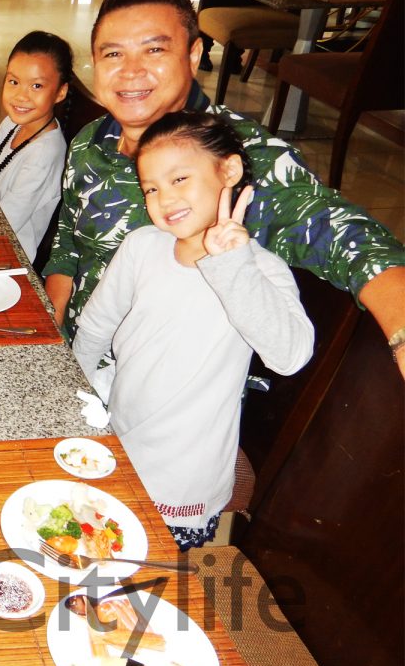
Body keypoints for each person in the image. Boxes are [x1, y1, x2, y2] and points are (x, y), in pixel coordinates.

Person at [43, 0, 405, 377]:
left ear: (193, 55)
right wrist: (52, 313)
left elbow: (341, 233)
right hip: (75, 355)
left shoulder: (235, 157)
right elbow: (68, 239)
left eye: (154, 50)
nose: (130, 71)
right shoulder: (93, 141)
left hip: (161, 390)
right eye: (113, 54)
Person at [73, 112, 313, 549]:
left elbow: (291, 355)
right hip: (117, 439)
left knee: (143, 573)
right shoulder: (142, 246)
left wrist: (232, 264)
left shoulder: (258, 270)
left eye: (180, 179)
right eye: (151, 188)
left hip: (182, 478)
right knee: (84, 550)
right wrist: (70, 397)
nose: (165, 199)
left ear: (229, 170)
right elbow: (95, 327)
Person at [0, 31, 72, 262]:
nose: (21, 96)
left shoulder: (44, 153)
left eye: (36, 86)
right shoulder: (14, 122)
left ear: (60, 92)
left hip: (5, 251)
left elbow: (3, 223)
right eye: (14, 82)